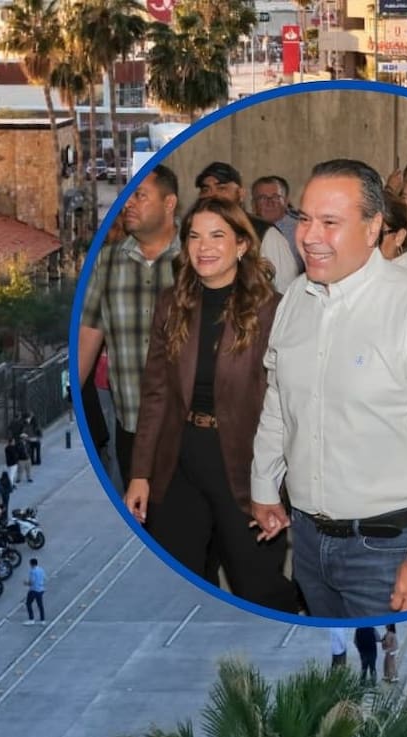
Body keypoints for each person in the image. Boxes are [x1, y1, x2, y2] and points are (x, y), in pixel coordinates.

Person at [250, 159, 407, 617]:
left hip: (388, 553)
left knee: (386, 683)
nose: (310, 235)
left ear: (374, 228)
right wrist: (264, 485)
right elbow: (279, 401)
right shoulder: (297, 297)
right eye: (306, 219)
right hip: (308, 545)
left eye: (330, 223)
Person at [125, 198, 299, 612]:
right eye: (194, 237)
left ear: (241, 245)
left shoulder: (271, 310)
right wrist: (140, 473)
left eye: (217, 235)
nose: (204, 247)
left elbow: (284, 403)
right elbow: (156, 394)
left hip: (244, 463)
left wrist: (273, 481)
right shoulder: (173, 304)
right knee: (181, 586)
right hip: (180, 460)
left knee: (257, 584)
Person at [77, 165, 182, 485]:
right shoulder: (104, 262)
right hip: (132, 427)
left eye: (139, 194)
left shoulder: (198, 258)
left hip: (190, 433)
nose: (128, 204)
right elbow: (86, 337)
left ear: (169, 203)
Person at [195, 162, 299, 292]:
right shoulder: (191, 233)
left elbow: (286, 293)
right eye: (206, 189)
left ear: (241, 194)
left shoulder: (264, 233)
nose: (212, 195)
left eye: (222, 188)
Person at [250, 174, 303, 274]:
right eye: (263, 198)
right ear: (254, 205)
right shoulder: (245, 228)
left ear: (286, 201)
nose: (270, 203)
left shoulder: (300, 230)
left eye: (276, 197)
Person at [23, 557, 45, 625]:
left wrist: (26, 583)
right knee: (40, 605)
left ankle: (31, 619)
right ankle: (42, 620)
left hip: (33, 590)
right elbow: (44, 578)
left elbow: (32, 582)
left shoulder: (32, 571)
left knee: (28, 603)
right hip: (41, 589)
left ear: (31, 564)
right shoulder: (41, 569)